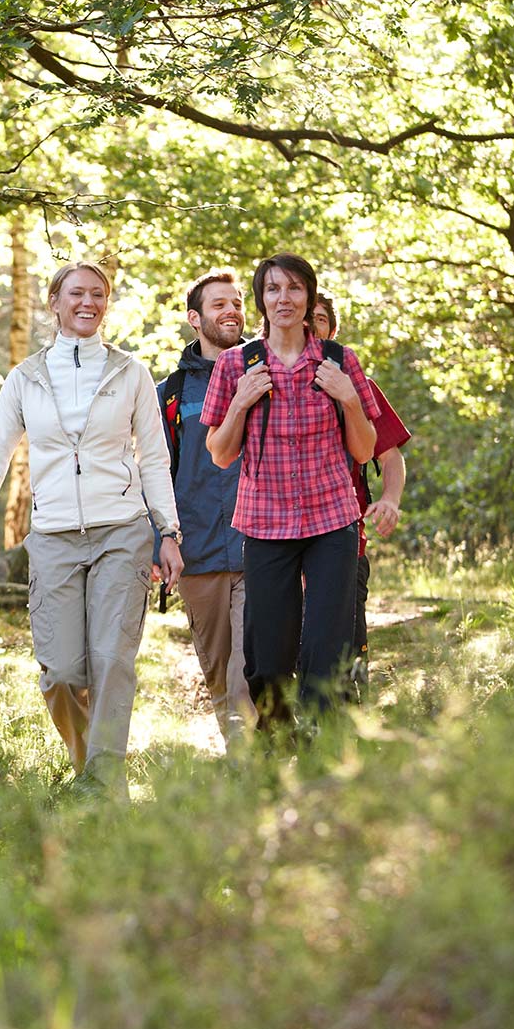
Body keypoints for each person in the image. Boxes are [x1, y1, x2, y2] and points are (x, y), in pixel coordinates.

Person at [0, 260, 184, 796]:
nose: (87, 303)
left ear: (106, 304)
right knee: (60, 674)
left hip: (122, 531)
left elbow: (153, 459)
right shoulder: (25, 378)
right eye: (76, 293)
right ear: (54, 302)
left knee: (112, 661)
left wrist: (167, 531)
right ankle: (87, 768)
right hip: (53, 537)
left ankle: (103, 785)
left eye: (98, 294)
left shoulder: (130, 373)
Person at [200, 253, 380, 730]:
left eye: (295, 288)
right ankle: (277, 746)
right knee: (268, 658)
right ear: (261, 299)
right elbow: (220, 453)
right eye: (274, 289)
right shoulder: (236, 364)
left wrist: (348, 398)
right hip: (265, 524)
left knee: (326, 650)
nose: (285, 298)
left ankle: (323, 753)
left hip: (332, 523)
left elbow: (364, 450)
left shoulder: (340, 361)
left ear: (309, 296)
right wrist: (240, 403)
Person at [156, 268, 256, 745]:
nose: (231, 311)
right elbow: (156, 473)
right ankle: (243, 761)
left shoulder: (267, 372)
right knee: (218, 673)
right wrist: (161, 541)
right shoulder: (170, 394)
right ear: (195, 318)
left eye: (236, 303)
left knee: (248, 670)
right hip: (198, 553)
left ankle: (256, 763)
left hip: (262, 546)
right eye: (219, 304)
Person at [311, 292, 412, 696]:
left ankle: (351, 726)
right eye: (305, 317)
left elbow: (390, 457)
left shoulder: (358, 386)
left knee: (347, 654)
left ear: (333, 330)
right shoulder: (265, 383)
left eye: (320, 319)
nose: (310, 325)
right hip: (280, 540)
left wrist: (390, 500)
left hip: (345, 540)